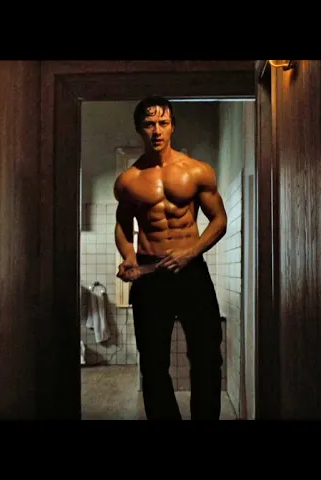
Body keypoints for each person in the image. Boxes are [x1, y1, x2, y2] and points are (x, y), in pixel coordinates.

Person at [113, 95, 228, 420]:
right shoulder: (129, 180)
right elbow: (122, 226)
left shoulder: (197, 171)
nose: (157, 130)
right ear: (139, 128)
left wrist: (191, 252)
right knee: (153, 362)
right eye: (149, 124)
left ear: (173, 126)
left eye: (163, 123)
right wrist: (129, 256)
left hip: (191, 272)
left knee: (207, 356)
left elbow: (219, 220)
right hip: (150, 274)